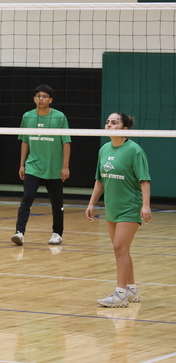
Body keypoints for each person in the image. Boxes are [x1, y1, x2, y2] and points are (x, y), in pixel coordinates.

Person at [85, 112, 151, 308]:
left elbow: (144, 180)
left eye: (114, 122)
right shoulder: (104, 149)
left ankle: (120, 293)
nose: (109, 125)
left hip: (130, 206)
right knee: (121, 250)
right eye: (107, 122)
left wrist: (145, 206)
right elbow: (100, 180)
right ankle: (131, 289)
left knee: (119, 248)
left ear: (125, 129)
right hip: (111, 207)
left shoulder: (134, 150)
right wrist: (91, 203)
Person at [11, 84, 70, 246]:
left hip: (54, 168)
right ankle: (19, 232)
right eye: (38, 96)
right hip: (33, 166)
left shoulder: (59, 117)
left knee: (56, 202)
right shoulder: (27, 116)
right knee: (27, 198)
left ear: (50, 99)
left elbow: (66, 143)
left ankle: (57, 233)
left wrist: (65, 166)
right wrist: (22, 164)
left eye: (44, 96)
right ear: (34, 99)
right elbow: (24, 142)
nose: (40, 99)